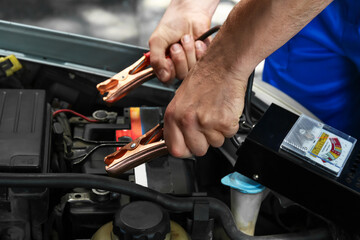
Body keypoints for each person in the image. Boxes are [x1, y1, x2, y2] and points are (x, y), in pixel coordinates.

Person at [148, 0, 334, 158]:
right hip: (303, 12)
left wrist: (219, 67)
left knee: (337, 158)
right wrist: (191, 6)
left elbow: (221, 68)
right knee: (295, 140)